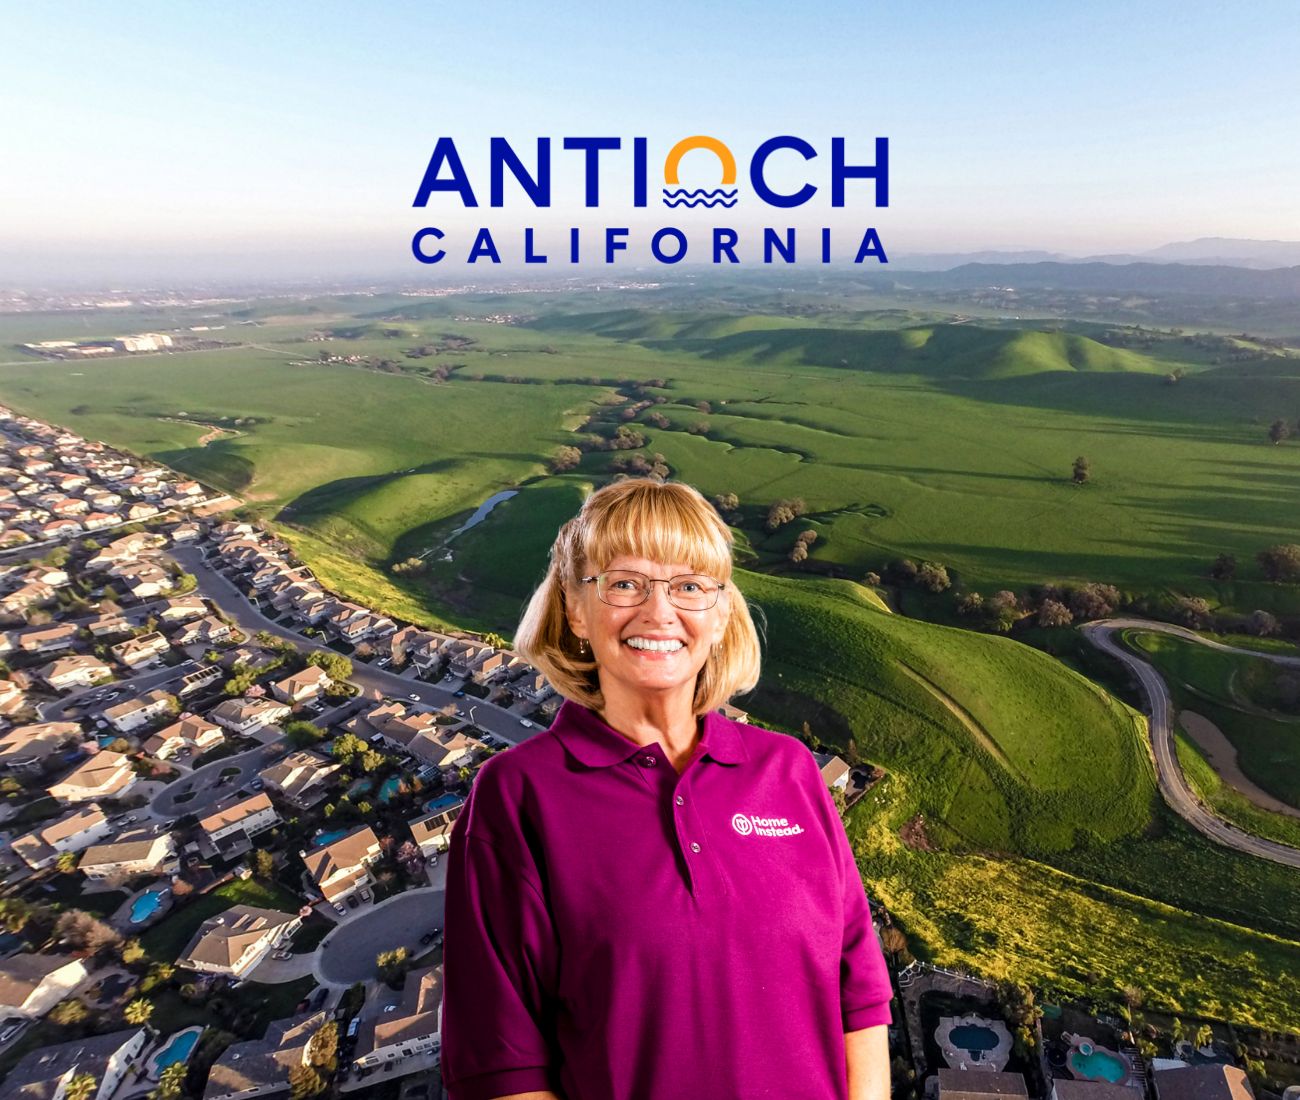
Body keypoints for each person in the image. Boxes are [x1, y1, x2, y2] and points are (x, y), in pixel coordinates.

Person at [440, 478, 893, 1100]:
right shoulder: (518, 795)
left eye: (688, 586)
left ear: (720, 611)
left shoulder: (788, 771)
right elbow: (500, 1064)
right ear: (575, 607)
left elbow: (860, 995)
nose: (659, 613)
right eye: (625, 583)